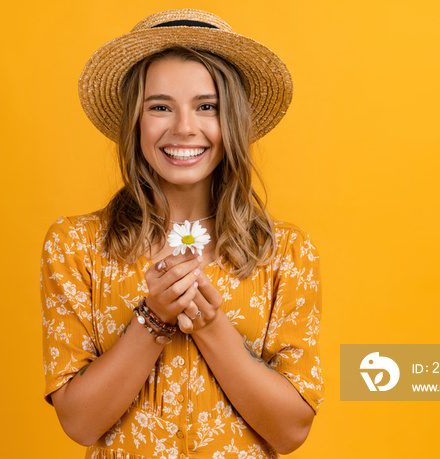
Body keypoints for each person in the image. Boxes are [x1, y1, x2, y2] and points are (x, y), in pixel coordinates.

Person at [40, 9, 323, 458]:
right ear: (134, 121)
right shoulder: (76, 245)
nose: (184, 127)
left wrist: (210, 325)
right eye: (160, 107)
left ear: (232, 120)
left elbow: (290, 432)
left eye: (206, 106)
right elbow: (79, 422)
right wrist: (152, 320)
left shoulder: (285, 252)